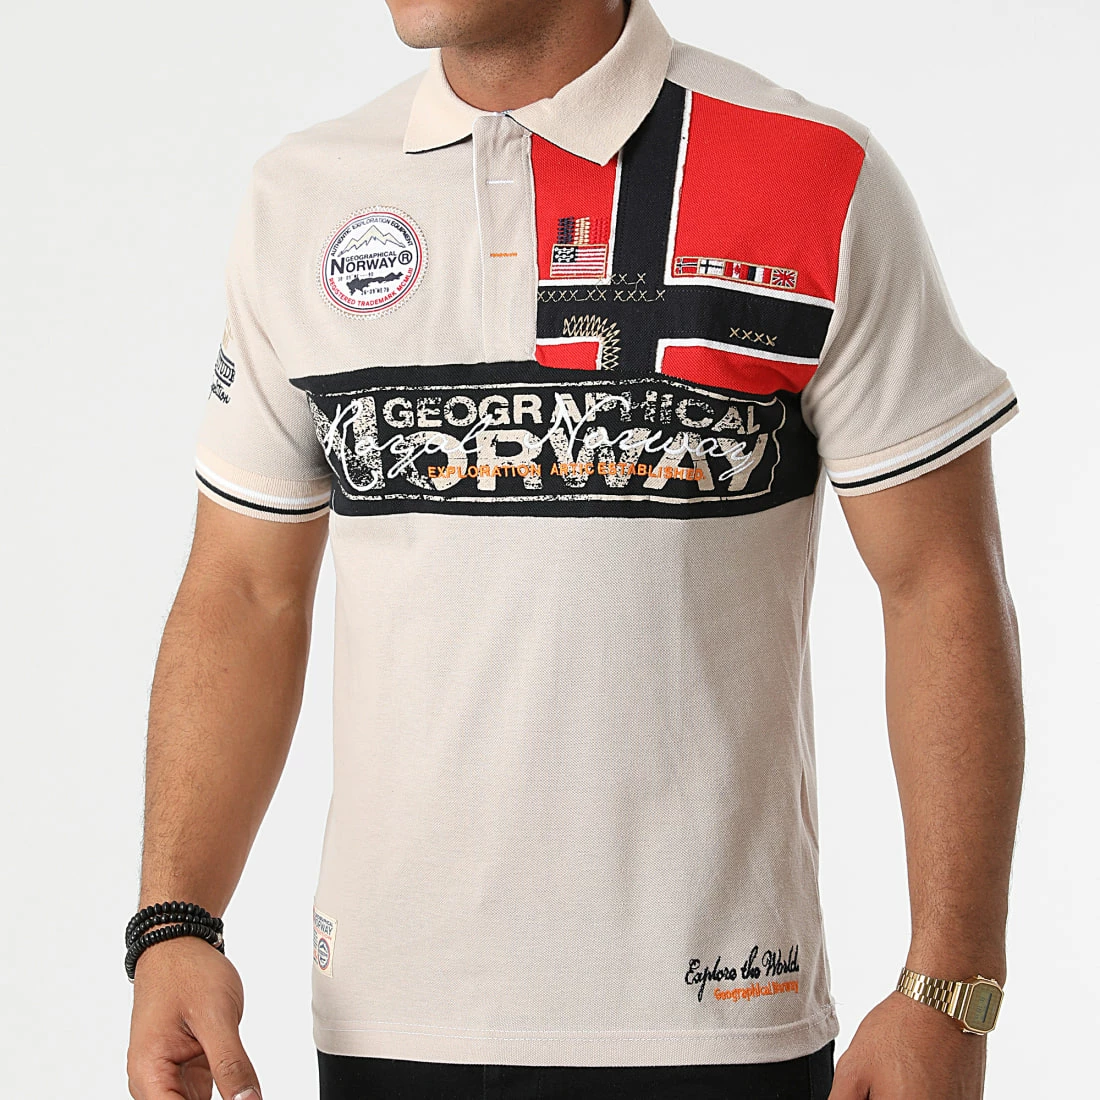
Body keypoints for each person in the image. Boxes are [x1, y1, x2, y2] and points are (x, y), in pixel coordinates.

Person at [124, 1, 1025, 1098]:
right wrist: (173, 922)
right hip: (389, 1023)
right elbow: (243, 589)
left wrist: (951, 985)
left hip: (718, 1026)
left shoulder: (810, 173)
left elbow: (938, 579)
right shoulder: (302, 198)